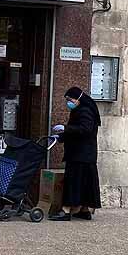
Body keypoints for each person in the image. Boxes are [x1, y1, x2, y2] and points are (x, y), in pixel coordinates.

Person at [49, 86, 101, 221]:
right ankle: (84, 209)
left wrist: (65, 128)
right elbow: (75, 131)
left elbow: (84, 130)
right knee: (85, 182)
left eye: (69, 99)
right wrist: (60, 137)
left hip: (80, 154)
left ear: (78, 98)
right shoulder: (81, 110)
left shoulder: (85, 111)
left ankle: (66, 210)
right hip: (85, 154)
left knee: (73, 182)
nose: (68, 103)